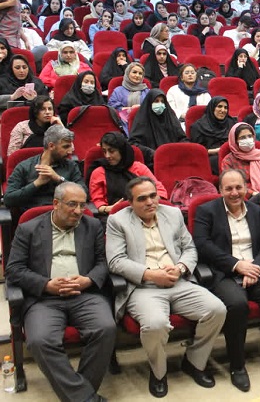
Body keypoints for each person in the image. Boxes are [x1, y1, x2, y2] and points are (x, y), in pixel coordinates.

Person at [106, 177, 227, 397]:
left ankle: (194, 361)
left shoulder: (172, 214)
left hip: (177, 281)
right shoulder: (117, 221)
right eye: (142, 198)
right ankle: (159, 372)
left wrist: (180, 268)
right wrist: (150, 274)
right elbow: (116, 261)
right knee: (155, 325)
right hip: (143, 287)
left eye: (153, 196)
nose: (150, 202)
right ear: (130, 203)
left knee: (217, 310)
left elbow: (189, 249)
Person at [6, 182, 115, 402]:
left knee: (105, 328)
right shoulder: (28, 229)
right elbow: (14, 270)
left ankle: (78, 395)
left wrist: (88, 280)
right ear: (56, 203)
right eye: (72, 204)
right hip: (44, 299)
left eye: (82, 205)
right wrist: (46, 284)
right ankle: (85, 398)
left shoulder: (92, 225)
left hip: (85, 295)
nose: (78, 211)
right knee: (39, 340)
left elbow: (103, 263)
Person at [192, 169, 260, 389]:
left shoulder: (257, 211)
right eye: (228, 188)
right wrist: (237, 265)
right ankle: (237, 366)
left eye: (239, 187)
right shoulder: (206, 211)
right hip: (224, 273)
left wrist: (255, 268)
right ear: (220, 190)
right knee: (237, 305)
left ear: (246, 188)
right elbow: (202, 245)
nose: (234, 192)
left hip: (255, 269)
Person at [5, 125, 85, 209]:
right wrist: (37, 183)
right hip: (35, 214)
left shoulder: (71, 166)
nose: (70, 152)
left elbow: (84, 193)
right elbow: (8, 200)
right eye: (65, 147)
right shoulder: (24, 167)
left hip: (63, 213)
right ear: (51, 146)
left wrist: (59, 179)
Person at [88, 131, 166, 216]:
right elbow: (97, 202)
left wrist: (147, 202)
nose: (107, 156)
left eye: (111, 151)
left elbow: (160, 191)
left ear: (122, 151)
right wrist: (109, 209)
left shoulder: (139, 168)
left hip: (145, 210)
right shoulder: (98, 172)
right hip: (114, 215)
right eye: (104, 151)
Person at [128, 89, 187, 161]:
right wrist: (153, 153)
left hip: (174, 159)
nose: (160, 104)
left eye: (162, 101)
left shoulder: (170, 118)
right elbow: (134, 144)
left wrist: (175, 150)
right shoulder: (142, 120)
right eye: (156, 101)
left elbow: (183, 139)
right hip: (151, 161)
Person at [190, 96, 237, 174]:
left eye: (225, 108)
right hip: (211, 157)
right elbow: (196, 150)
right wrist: (216, 151)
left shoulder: (232, 123)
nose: (223, 110)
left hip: (231, 154)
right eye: (219, 106)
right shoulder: (198, 126)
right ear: (212, 108)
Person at [108, 62, 149, 134]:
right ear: (127, 73)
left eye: (140, 73)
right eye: (134, 72)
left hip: (144, 124)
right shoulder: (118, 91)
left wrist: (140, 109)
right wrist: (130, 109)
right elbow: (112, 108)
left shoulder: (148, 92)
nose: (137, 75)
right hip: (121, 125)